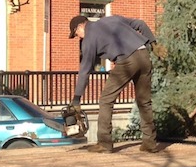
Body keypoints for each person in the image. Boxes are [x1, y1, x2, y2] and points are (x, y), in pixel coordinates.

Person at [68, 14, 164, 153]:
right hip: (144, 56)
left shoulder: (89, 38)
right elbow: (141, 23)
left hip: (127, 62)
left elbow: (85, 70)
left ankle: (104, 143)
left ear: (80, 26)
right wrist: (153, 44)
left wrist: (76, 99)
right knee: (144, 101)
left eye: (77, 34)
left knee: (106, 100)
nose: (79, 37)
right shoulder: (111, 19)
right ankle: (150, 143)